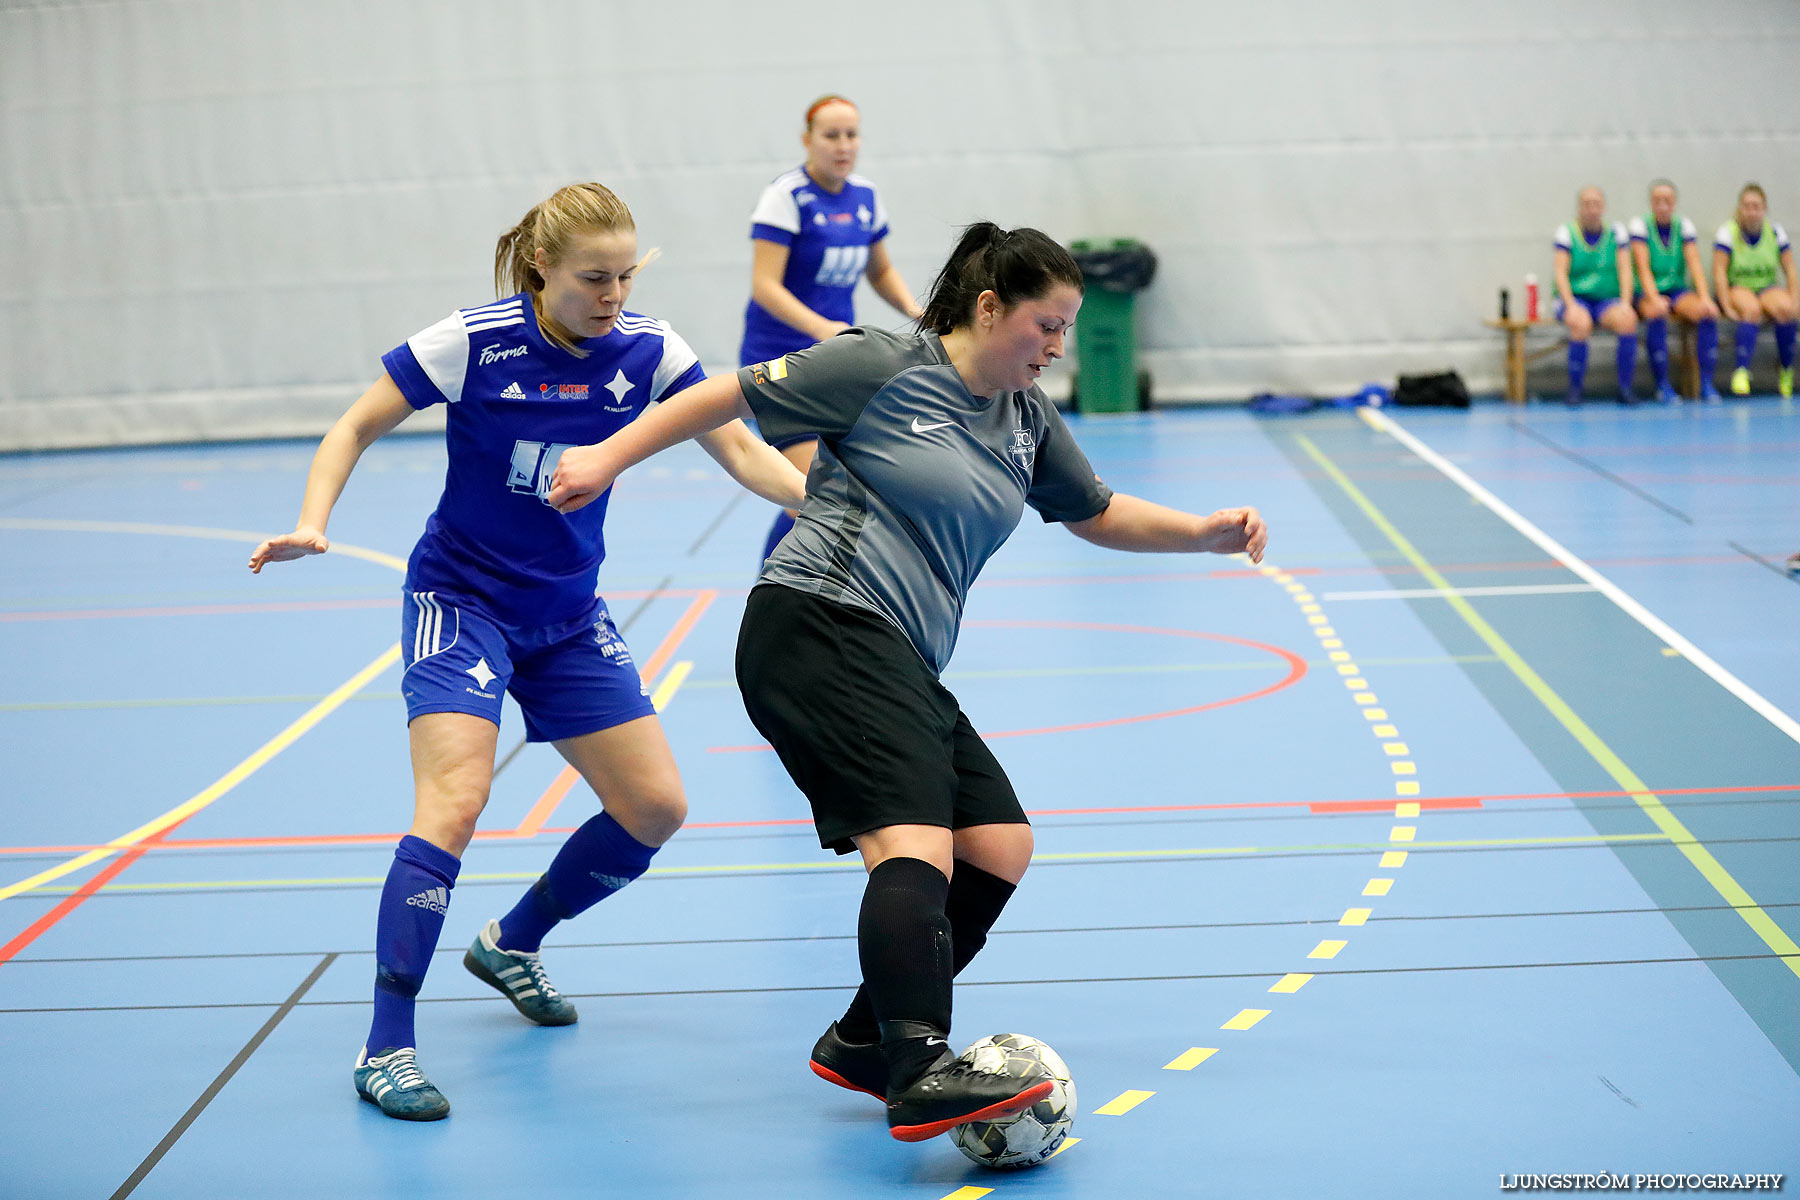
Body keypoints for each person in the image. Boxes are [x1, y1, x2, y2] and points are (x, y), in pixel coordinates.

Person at [543, 223, 1267, 1143]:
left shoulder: (1025, 421)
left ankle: (859, 1038)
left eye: (1067, 332)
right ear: (989, 307)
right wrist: (607, 457)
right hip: (816, 621)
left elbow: (1098, 510)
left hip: (899, 656)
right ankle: (917, 1061)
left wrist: (1203, 533)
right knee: (914, 840)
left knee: (998, 844)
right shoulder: (885, 364)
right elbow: (719, 394)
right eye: (1045, 326)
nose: (1056, 349)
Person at [247, 182, 806, 1121]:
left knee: (655, 808)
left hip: (567, 614)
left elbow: (745, 452)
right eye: (595, 277)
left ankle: (513, 942)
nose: (613, 295)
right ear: (542, 268)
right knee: (456, 803)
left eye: (627, 276)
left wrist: (820, 508)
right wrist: (313, 521)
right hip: (461, 601)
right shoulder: (473, 341)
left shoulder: (651, 351)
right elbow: (355, 423)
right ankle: (386, 1046)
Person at [739, 94, 923, 563]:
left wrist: (914, 309)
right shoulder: (786, 196)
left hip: (833, 362)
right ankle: (769, 593)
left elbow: (879, 271)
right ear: (808, 140)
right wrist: (824, 328)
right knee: (805, 496)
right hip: (778, 361)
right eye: (831, 135)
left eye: (851, 134)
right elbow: (765, 286)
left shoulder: (865, 196)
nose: (843, 145)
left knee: (837, 489)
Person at [1629, 179, 1722, 403]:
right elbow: (1642, 267)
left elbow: (1695, 264)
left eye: (1667, 201)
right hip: (1646, 291)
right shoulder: (1640, 226)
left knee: (1707, 313)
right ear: (1651, 203)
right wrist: (1653, 298)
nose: (1662, 205)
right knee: (1656, 312)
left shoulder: (1684, 226)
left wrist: (1705, 298)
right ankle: (1662, 385)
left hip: (1676, 289)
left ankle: (1705, 384)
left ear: (1674, 203)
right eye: (1657, 201)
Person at [1553, 186, 1638, 405]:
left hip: (1606, 298)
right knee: (1580, 323)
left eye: (1596, 204)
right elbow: (1560, 273)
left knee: (1627, 320)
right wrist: (1570, 305)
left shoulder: (1616, 233)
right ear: (1579, 208)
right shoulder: (1567, 233)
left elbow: (1625, 269)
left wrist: (1626, 303)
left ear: (1603, 207)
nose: (1591, 209)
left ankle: (1625, 388)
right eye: (1586, 205)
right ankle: (1575, 388)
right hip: (1576, 297)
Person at [1712, 183, 1798, 398]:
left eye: (1756, 206)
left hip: (1766, 286)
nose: (1752, 211)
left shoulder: (1775, 231)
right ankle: (1741, 371)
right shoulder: (1728, 232)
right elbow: (1719, 272)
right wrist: (1726, 304)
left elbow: (1789, 268)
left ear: (1764, 208)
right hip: (1739, 286)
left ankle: (1786, 369)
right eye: (1747, 206)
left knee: (1786, 310)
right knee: (1751, 310)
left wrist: (1795, 298)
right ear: (1740, 208)